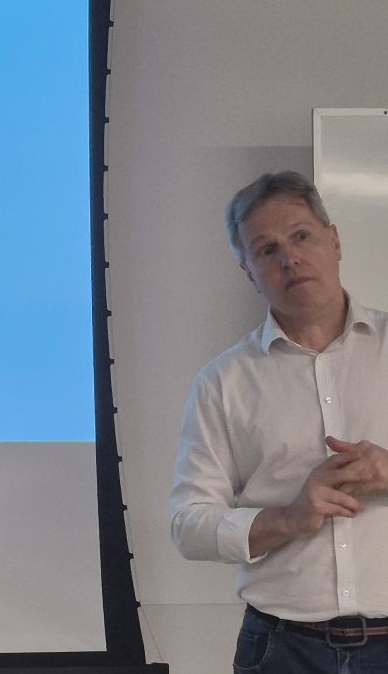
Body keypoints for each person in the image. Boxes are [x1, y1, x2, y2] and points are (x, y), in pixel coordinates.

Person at [170, 171, 388, 673]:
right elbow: (188, 525)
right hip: (281, 649)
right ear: (248, 270)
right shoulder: (223, 382)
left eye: (301, 236)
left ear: (334, 240)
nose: (289, 258)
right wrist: (288, 518)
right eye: (266, 250)